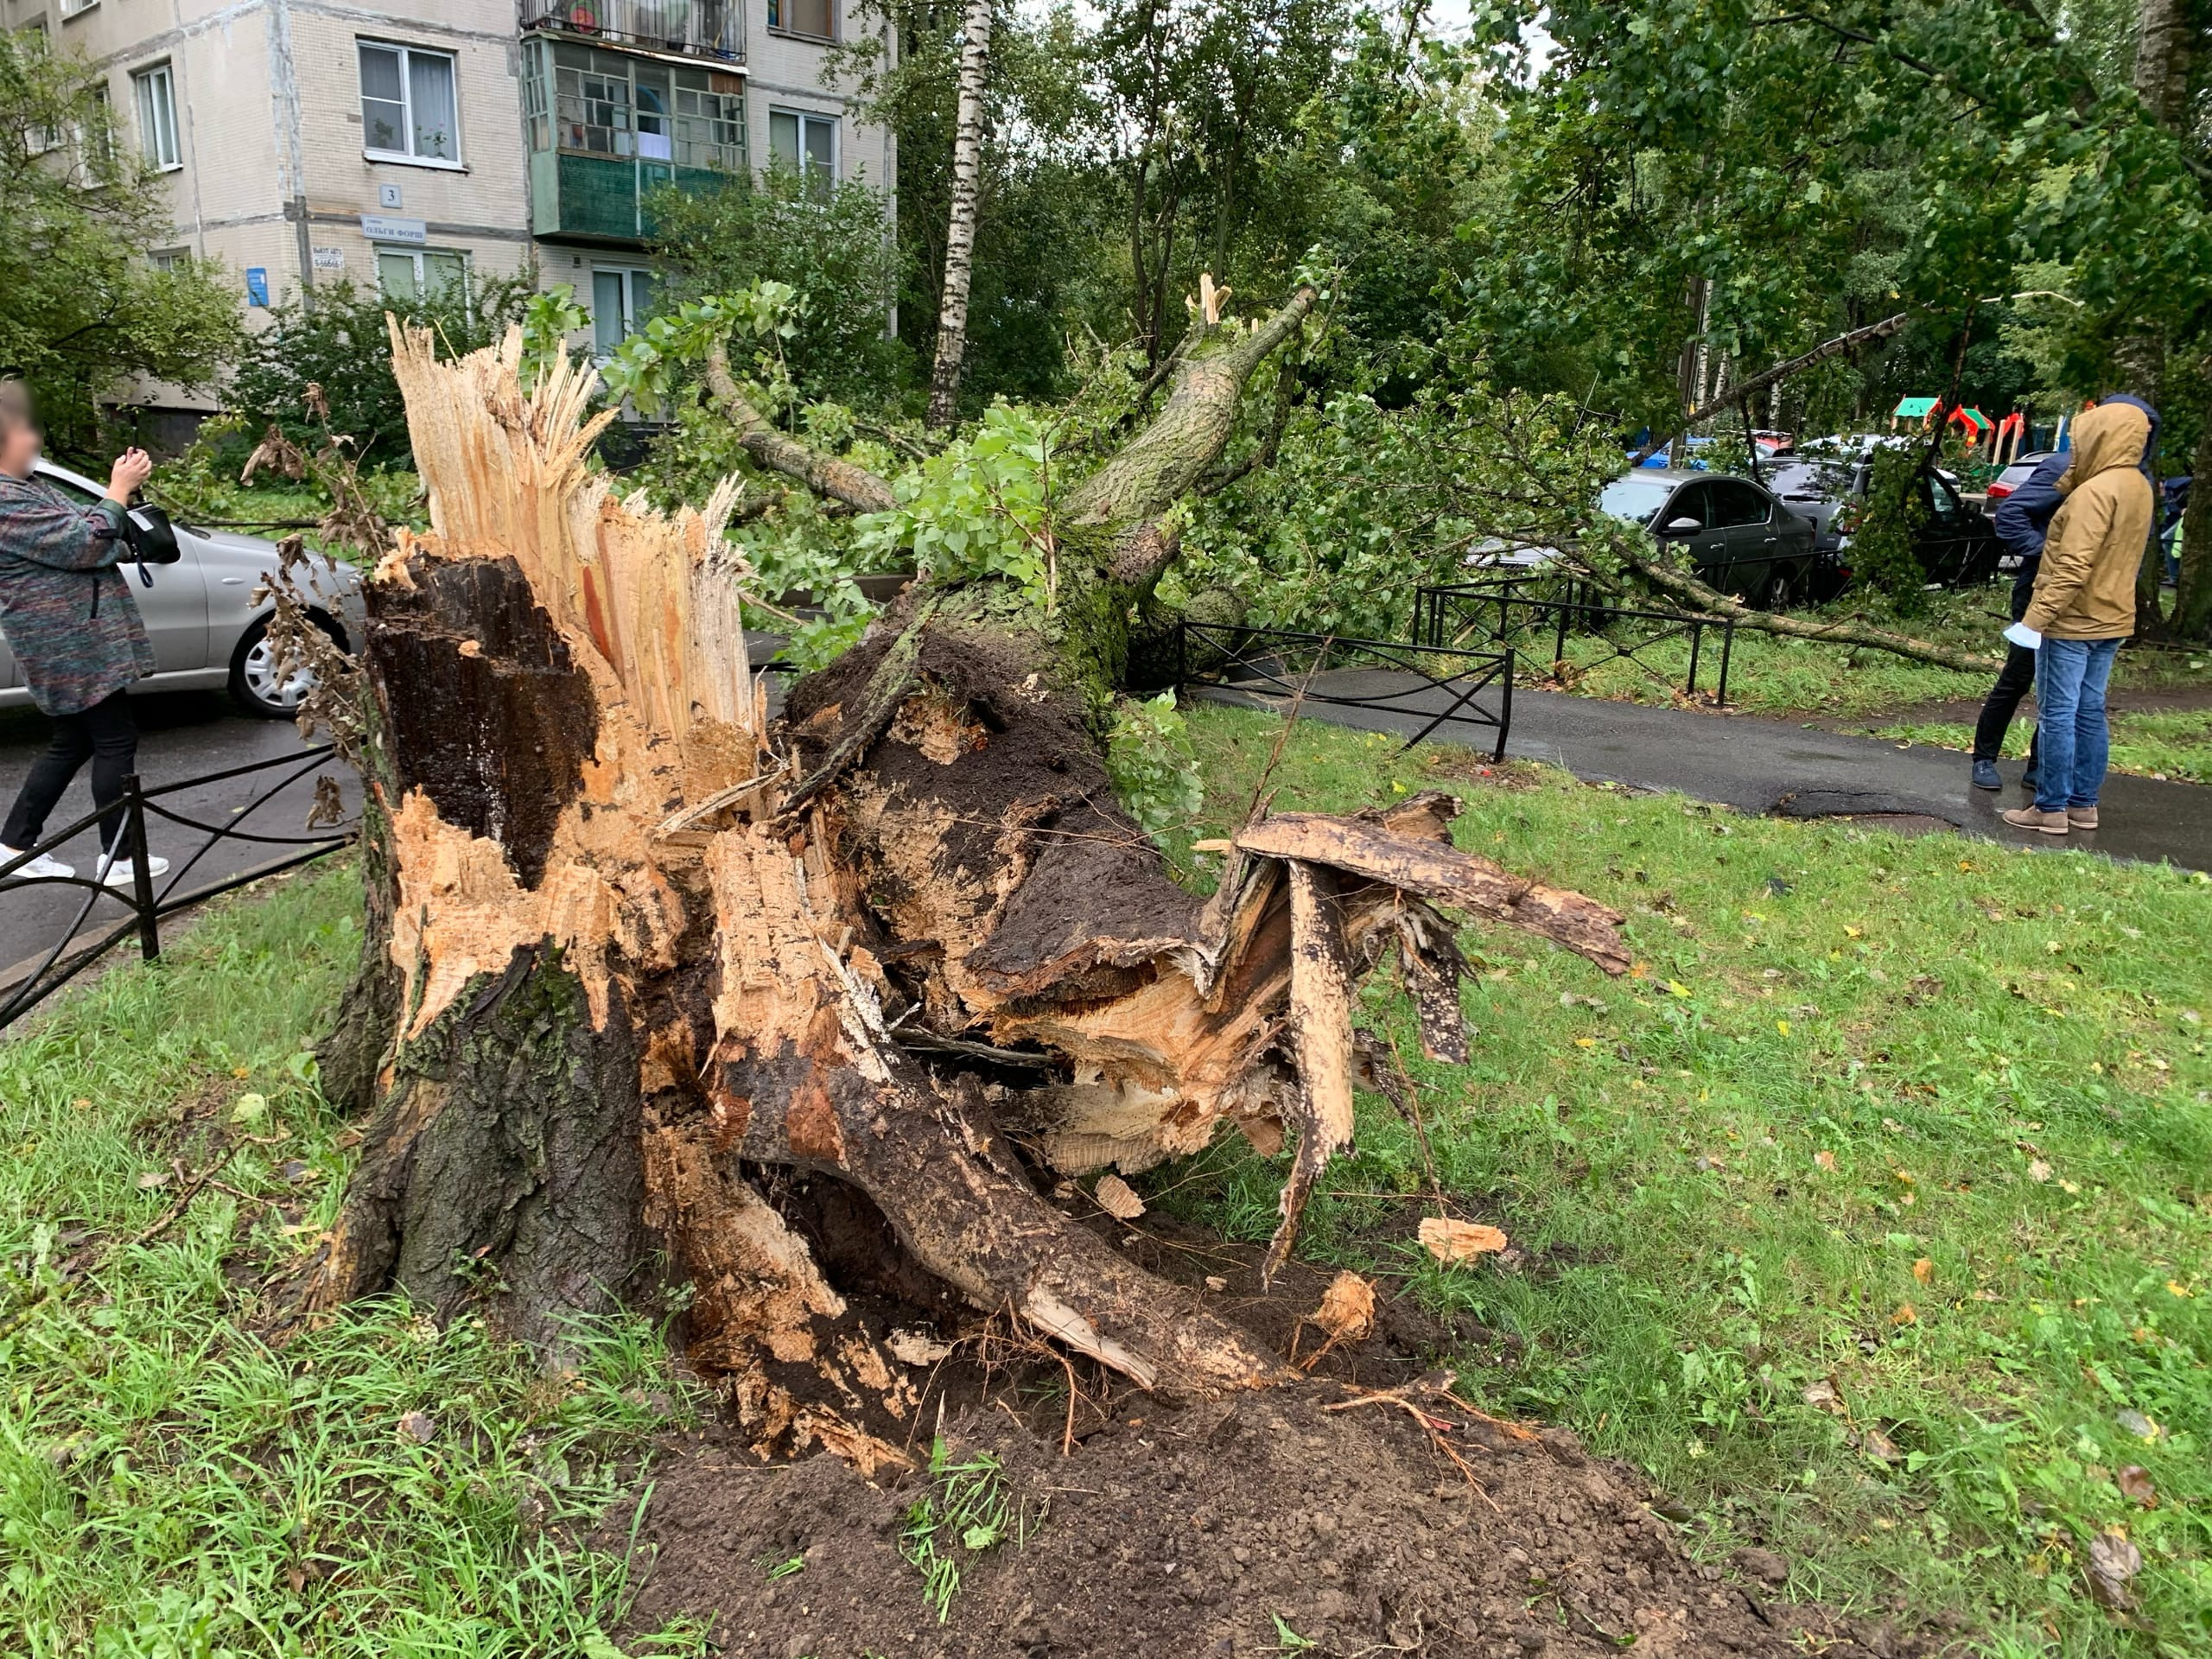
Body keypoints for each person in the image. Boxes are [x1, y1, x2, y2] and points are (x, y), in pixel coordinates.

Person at [0, 382, 170, 886]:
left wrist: (113, 531)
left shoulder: (29, 487)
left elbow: (96, 536)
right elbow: (82, 542)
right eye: (27, 432)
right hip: (67, 642)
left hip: (77, 635)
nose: (36, 440)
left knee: (72, 741)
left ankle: (15, 845)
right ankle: (118, 859)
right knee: (116, 737)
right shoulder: (4, 498)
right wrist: (117, 491)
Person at [1999, 397, 2157, 836]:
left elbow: (2071, 568)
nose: (2078, 444)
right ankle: (2084, 805)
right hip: (2114, 617)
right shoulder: (2137, 485)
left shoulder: (2094, 493)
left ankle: (2049, 807)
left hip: (2072, 620)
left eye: (2084, 436)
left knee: (2059, 714)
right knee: (2090, 711)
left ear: (2102, 436)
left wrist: (2033, 621)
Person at [1970, 448, 2069, 790]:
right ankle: (1983, 758)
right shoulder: (2063, 466)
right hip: (2038, 588)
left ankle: (2038, 767)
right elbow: (2010, 514)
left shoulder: (2125, 473)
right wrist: (2048, 554)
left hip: (2080, 595)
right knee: (2018, 675)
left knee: (2060, 685)